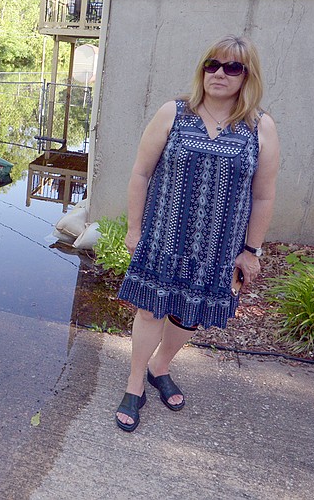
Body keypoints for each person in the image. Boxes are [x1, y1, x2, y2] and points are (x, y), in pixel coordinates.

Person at [114, 35, 280, 432]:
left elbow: (264, 196)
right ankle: (135, 383)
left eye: (232, 67)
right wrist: (135, 230)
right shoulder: (174, 112)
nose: (220, 73)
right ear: (202, 69)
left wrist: (251, 250)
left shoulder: (260, 127)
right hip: (164, 237)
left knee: (189, 315)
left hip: (218, 249)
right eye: (213, 65)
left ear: (247, 76)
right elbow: (140, 173)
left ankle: (161, 366)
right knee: (151, 309)